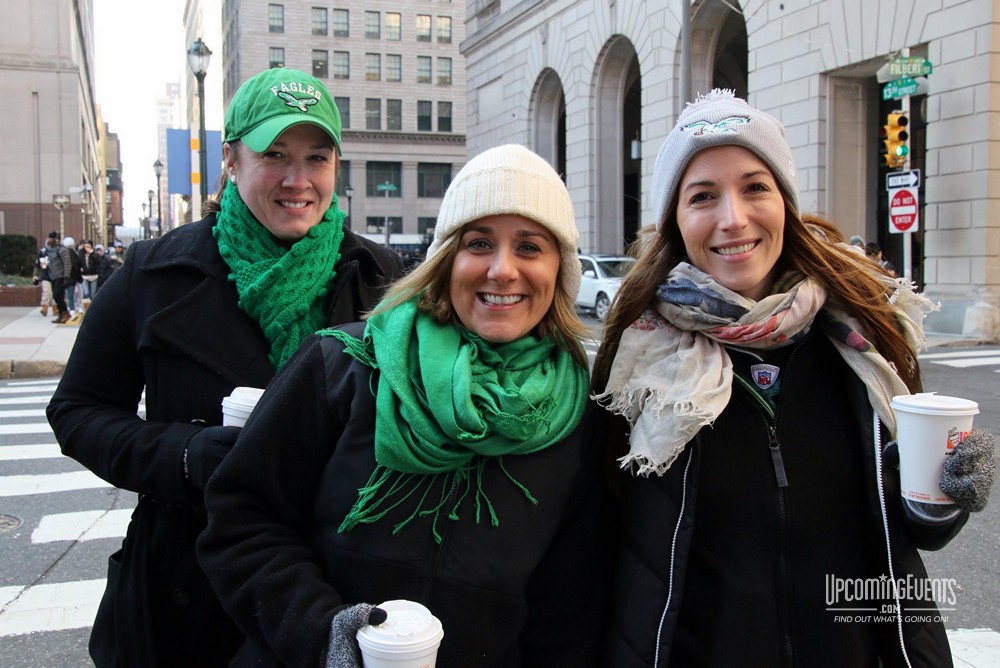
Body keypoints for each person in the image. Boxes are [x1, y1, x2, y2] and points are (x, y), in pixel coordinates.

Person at [591, 90, 996, 667]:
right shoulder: (634, 364)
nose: (733, 217)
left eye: (755, 186)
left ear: (785, 201)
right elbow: (603, 550)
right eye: (702, 196)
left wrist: (943, 495)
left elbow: (909, 531)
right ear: (677, 221)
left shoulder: (864, 338)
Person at [197, 144, 613, 667]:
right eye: (479, 243)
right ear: (446, 260)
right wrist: (324, 635)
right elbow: (242, 521)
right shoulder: (340, 365)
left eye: (529, 247)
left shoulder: (580, 412)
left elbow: (569, 605)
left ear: (560, 270)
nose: (503, 270)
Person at [46, 67, 406, 667]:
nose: (299, 180)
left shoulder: (385, 279)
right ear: (232, 161)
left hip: (327, 586)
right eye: (275, 155)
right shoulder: (152, 272)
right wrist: (188, 456)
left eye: (317, 157)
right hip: (186, 587)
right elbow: (77, 412)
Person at [45, 231, 72, 324]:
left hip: (61, 276)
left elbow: (67, 263)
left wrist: (66, 276)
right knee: (56, 297)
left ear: (55, 239)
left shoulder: (62, 249)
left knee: (58, 295)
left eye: (50, 238)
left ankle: (65, 313)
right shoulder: (48, 250)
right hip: (53, 276)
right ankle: (61, 313)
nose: (48, 240)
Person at [32, 236, 55, 316]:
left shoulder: (57, 251)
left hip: (56, 276)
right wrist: (35, 275)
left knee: (55, 293)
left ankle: (56, 307)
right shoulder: (43, 252)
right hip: (45, 275)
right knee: (46, 291)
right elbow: (37, 265)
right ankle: (44, 307)